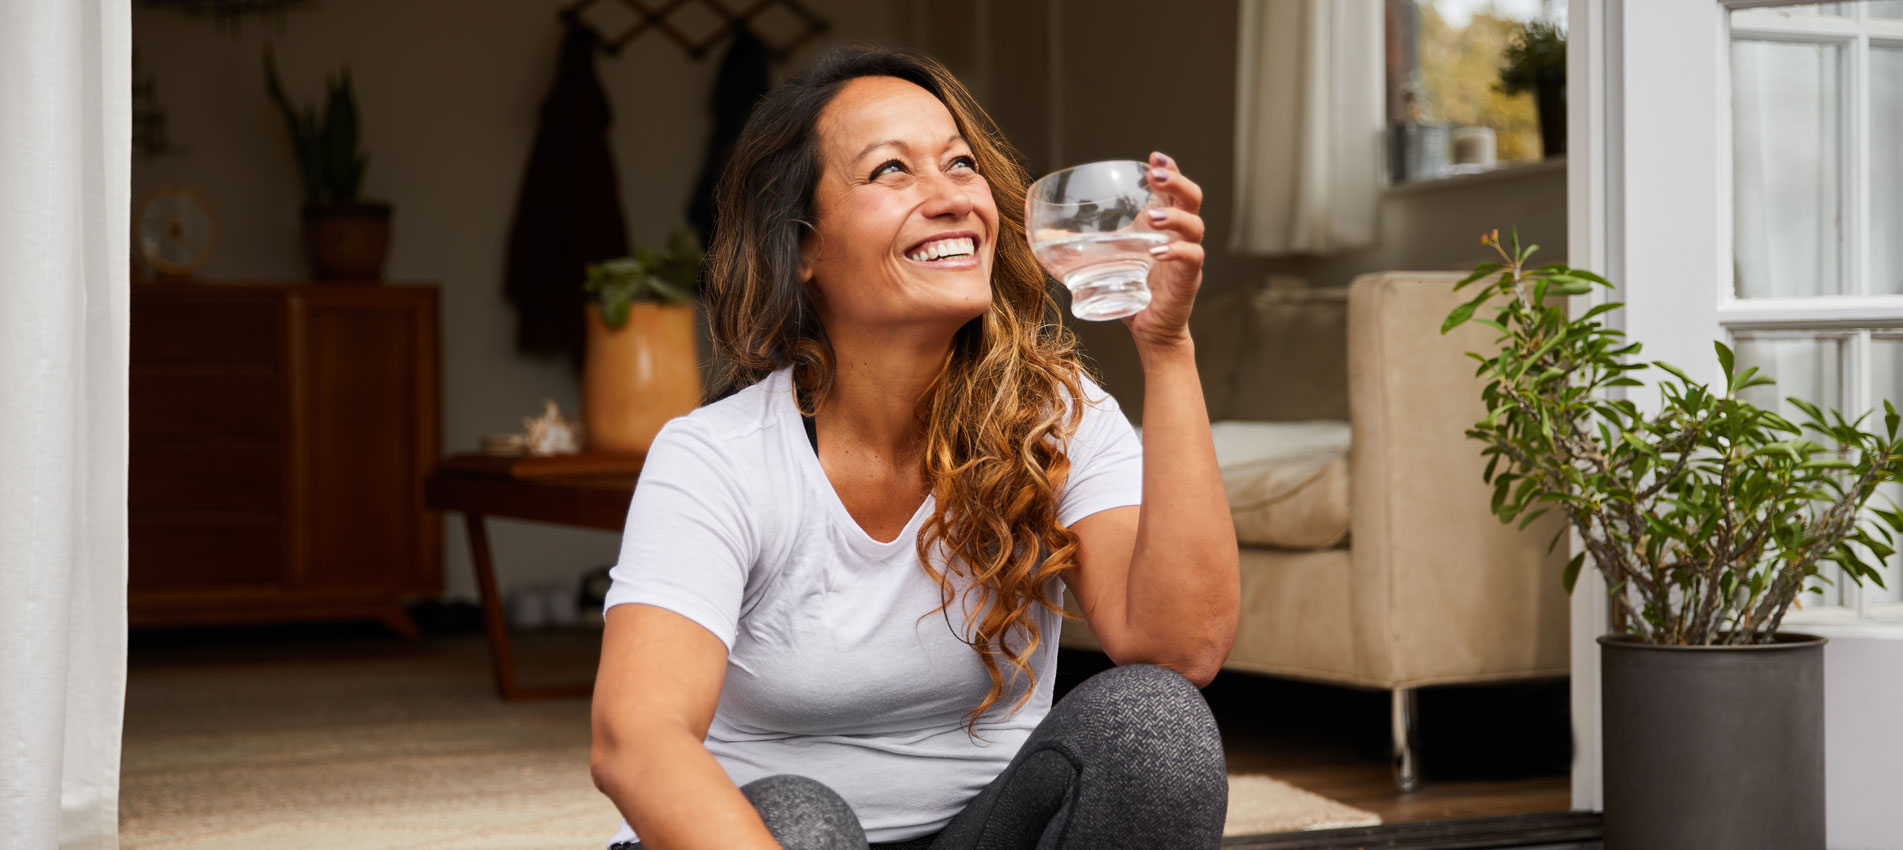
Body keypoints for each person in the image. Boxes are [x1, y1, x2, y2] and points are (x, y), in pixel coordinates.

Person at [589, 45, 1240, 850]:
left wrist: (1166, 348)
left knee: (1155, 724)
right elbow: (634, 742)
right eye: (891, 171)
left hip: (974, 832)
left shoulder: (1056, 419)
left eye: (961, 164)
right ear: (801, 248)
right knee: (800, 818)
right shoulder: (717, 458)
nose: (949, 197)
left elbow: (1177, 647)